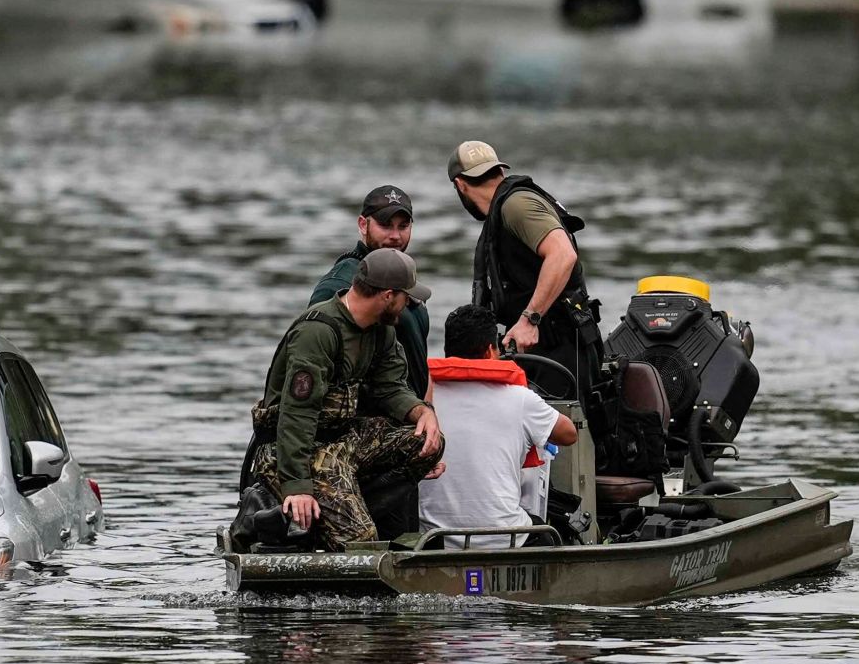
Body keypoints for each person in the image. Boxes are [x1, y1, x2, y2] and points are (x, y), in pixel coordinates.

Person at [248, 249, 445, 551]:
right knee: (360, 543)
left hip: (342, 443)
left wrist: (422, 412)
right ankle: (278, 519)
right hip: (289, 451)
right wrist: (297, 487)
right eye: (407, 297)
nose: (410, 305)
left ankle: (343, 509)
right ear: (388, 296)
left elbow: (391, 388)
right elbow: (297, 415)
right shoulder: (318, 332)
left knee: (427, 442)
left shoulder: (381, 331)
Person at [446, 140, 604, 402]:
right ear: (499, 172)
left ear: (460, 185)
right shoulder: (505, 208)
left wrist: (529, 319)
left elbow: (563, 255)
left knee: (561, 436)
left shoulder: (516, 205)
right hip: (544, 348)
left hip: (561, 348)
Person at [419, 305, 577, 549]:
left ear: (447, 351)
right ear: (489, 350)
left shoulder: (421, 400)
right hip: (505, 537)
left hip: (434, 540)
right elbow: (569, 434)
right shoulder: (520, 398)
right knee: (554, 530)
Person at [310, 185, 432, 402]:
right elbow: (314, 363)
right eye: (385, 226)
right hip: (367, 426)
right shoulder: (338, 285)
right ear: (363, 225)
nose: (395, 236)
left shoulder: (407, 282)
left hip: (410, 416)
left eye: (403, 226)